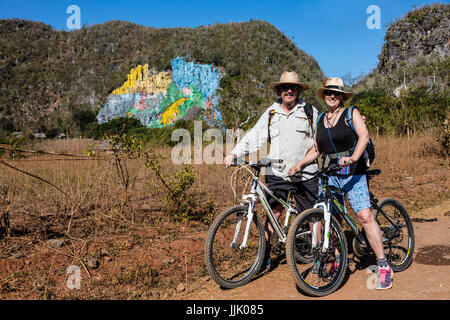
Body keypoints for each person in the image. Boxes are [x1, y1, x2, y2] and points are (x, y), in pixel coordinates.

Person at [288, 77, 393, 290]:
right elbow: (317, 148)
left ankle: (383, 264)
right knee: (332, 219)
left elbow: (363, 137)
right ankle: (338, 259)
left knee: (364, 216)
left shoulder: (350, 113)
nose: (331, 96)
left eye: (336, 93)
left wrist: (354, 157)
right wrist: (299, 164)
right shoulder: (320, 119)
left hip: (354, 173)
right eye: (328, 93)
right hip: (330, 176)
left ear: (342, 96)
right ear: (324, 96)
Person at [224, 71, 319, 271]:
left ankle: (317, 255)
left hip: (306, 173)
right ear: (279, 90)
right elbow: (254, 136)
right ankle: (264, 256)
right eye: (285, 87)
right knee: (273, 212)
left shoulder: (310, 111)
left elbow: (319, 143)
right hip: (277, 171)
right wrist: (234, 153)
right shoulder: (271, 112)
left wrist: (302, 163)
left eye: (293, 87)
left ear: (299, 90)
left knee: (310, 215)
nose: (289, 90)